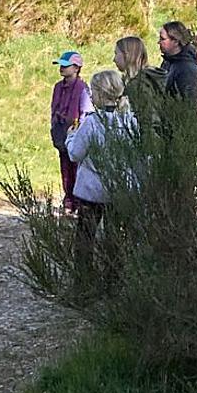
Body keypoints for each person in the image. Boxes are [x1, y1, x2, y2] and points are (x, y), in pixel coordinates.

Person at [65, 69, 137, 286]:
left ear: (98, 93)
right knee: (115, 238)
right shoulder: (130, 120)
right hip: (119, 187)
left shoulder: (92, 123)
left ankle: (83, 281)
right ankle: (113, 281)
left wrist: (70, 137)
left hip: (92, 191)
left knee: (85, 237)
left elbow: (75, 153)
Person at [50, 51, 90, 206]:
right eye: (61, 65)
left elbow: (85, 112)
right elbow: (53, 108)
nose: (61, 68)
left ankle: (78, 200)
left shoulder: (82, 88)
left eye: (66, 65)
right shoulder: (57, 87)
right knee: (65, 166)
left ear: (76, 68)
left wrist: (80, 132)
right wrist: (54, 126)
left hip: (76, 132)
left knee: (76, 167)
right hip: (60, 130)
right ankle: (68, 199)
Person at [155, 21, 197, 108]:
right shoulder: (168, 62)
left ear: (176, 41)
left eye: (163, 39)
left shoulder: (187, 69)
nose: (159, 42)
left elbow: (189, 104)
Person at [113, 35, 161, 113]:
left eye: (116, 53)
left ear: (127, 55)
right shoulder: (152, 76)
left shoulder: (139, 84)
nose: (114, 59)